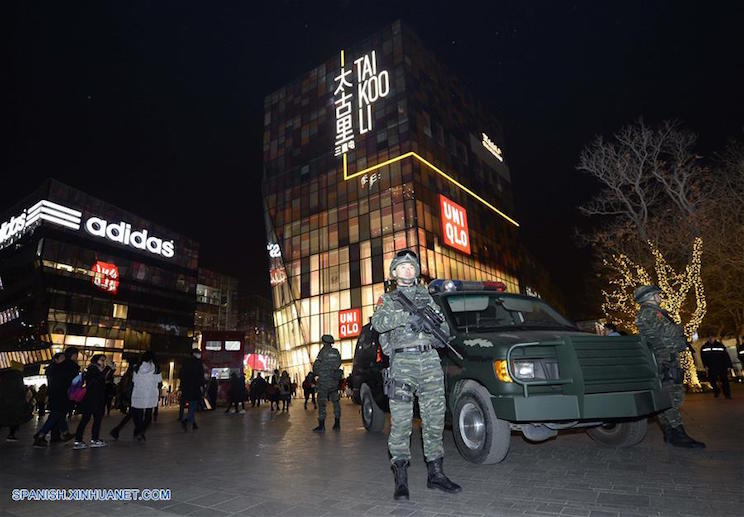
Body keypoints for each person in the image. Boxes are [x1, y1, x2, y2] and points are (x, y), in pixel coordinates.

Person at [371, 249, 462, 500]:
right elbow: (378, 324)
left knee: (433, 419)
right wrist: (407, 318)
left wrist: (429, 327)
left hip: (429, 361)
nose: (408, 270)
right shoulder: (387, 300)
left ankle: (436, 474)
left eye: (412, 267)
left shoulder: (428, 298)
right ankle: (401, 479)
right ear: (394, 272)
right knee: (400, 422)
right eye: (403, 267)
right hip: (402, 363)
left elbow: (443, 330)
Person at [634, 285, 705, 448]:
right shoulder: (651, 312)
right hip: (665, 358)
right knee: (671, 396)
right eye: (657, 295)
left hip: (665, 357)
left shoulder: (650, 312)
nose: (660, 297)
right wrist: (679, 329)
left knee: (668, 395)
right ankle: (677, 433)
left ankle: (670, 432)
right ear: (650, 297)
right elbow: (669, 332)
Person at [33, 349, 79, 447]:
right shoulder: (66, 367)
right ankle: (40, 435)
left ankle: (63, 433)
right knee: (55, 416)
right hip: (61, 395)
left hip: (55, 395)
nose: (64, 359)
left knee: (59, 415)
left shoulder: (53, 368)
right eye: (62, 358)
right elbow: (72, 381)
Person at [73, 354, 108, 449]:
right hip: (93, 399)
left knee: (87, 419)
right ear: (96, 361)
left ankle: (80, 440)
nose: (103, 362)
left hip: (91, 399)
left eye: (104, 360)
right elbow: (99, 379)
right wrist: (108, 369)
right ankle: (92, 440)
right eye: (102, 360)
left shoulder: (92, 369)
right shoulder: (93, 369)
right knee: (94, 419)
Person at [312, 334, 342, 432]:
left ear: (324, 342)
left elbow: (316, 365)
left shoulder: (323, 352)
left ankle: (321, 426)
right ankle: (337, 424)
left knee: (322, 403)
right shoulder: (336, 352)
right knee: (336, 402)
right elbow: (339, 363)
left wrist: (318, 372)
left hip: (324, 382)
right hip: (334, 381)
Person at [131, 352, 162, 441]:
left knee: (138, 414)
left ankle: (138, 430)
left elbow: (134, 380)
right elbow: (159, 380)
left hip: (138, 393)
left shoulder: (136, 368)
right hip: (150, 394)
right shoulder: (156, 368)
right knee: (148, 415)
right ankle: (141, 431)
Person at [0, 362, 33, 441]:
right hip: (15, 402)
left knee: (2, 418)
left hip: (4, 401)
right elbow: (20, 389)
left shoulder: (4, 375)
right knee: (14, 419)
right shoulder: (18, 376)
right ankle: (11, 435)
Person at [700, 334, 733, 399]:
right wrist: (705, 366)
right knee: (712, 381)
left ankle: (727, 394)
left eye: (712, 337)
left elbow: (726, 356)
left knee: (724, 381)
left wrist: (729, 365)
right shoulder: (704, 347)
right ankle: (716, 391)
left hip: (722, 366)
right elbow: (703, 357)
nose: (711, 339)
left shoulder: (720, 345)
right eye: (710, 337)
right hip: (711, 367)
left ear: (714, 338)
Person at [179, 348, 204, 431]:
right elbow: (200, 376)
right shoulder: (198, 363)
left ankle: (193, 424)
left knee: (191, 406)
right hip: (194, 388)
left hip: (186, 388)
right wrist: (202, 385)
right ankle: (186, 421)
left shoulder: (185, 362)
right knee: (193, 406)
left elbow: (181, 375)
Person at [109, 364, 134, 440]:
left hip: (130, 397)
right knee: (133, 414)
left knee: (132, 414)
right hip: (133, 397)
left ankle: (117, 430)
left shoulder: (127, 375)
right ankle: (116, 430)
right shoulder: (131, 375)